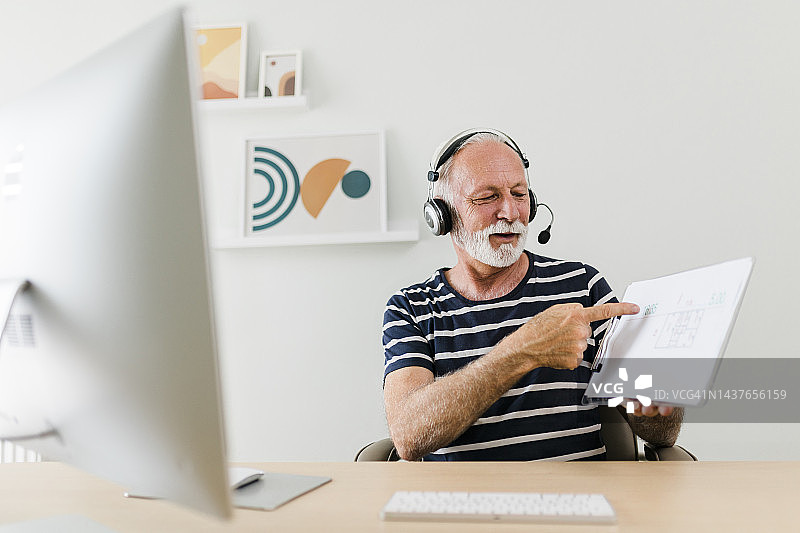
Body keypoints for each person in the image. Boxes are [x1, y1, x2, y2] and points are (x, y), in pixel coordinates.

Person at [382, 129, 683, 461]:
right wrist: (522, 351)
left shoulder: (581, 284)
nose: (510, 212)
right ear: (442, 214)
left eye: (519, 194)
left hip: (578, 503)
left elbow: (662, 434)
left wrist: (655, 401)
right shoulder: (411, 307)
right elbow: (409, 436)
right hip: (463, 508)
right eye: (487, 197)